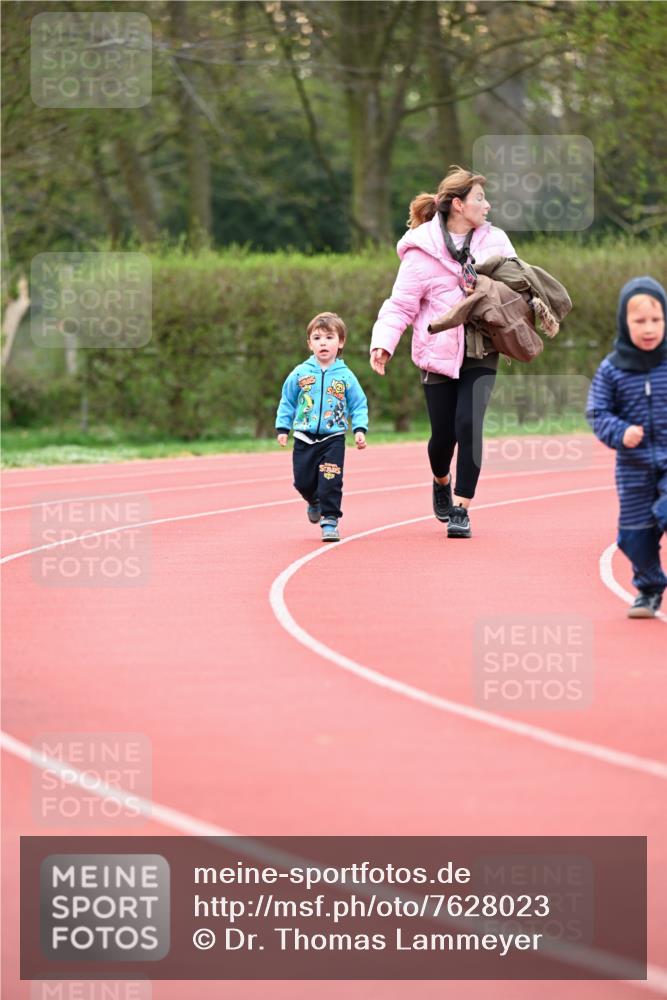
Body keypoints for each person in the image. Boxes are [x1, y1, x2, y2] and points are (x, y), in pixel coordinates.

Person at [370, 165, 516, 539]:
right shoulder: (420, 253)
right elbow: (400, 305)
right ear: (457, 205)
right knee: (443, 436)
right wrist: (383, 344)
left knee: (470, 425)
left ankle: (462, 508)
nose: (487, 205)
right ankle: (441, 478)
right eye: (480, 199)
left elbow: (517, 287)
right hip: (436, 350)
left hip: (482, 347)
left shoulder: (496, 241)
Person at [586, 277, 667, 618]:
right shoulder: (612, 369)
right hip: (632, 467)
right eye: (639, 321)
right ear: (624, 321)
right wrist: (620, 432)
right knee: (635, 535)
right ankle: (648, 591)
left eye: (656, 320)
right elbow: (597, 411)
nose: (649, 328)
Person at [276, 312, 368, 543]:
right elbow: (287, 400)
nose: (323, 342)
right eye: (317, 338)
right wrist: (283, 428)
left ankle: (330, 520)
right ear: (310, 344)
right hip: (304, 437)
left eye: (329, 337)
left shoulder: (346, 376)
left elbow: (358, 404)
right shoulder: (300, 373)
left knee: (330, 479)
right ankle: (313, 501)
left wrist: (359, 429)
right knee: (303, 482)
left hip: (333, 437)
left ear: (341, 342)